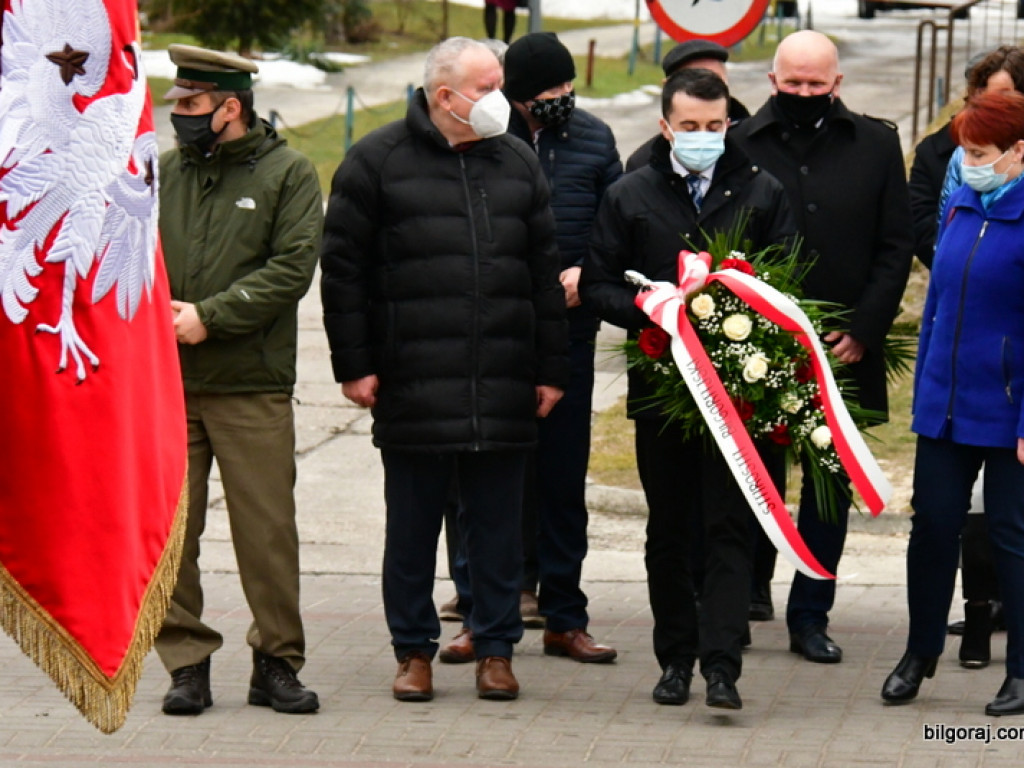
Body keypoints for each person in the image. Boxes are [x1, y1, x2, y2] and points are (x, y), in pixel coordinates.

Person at [320, 37, 568, 703]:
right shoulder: (376, 160)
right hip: (413, 382)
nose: (500, 100)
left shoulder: (516, 160)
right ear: (444, 97)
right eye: (486, 88)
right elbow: (343, 271)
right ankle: (412, 651)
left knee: (497, 531)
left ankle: (496, 649)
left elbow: (543, 274)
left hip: (502, 379)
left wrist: (551, 368)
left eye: (500, 86)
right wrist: (355, 365)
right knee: (412, 531)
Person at [583, 68, 795, 710]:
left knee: (730, 527)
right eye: (690, 126)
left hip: (737, 395)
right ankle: (675, 659)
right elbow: (597, 284)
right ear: (666, 126)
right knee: (670, 531)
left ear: (729, 123)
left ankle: (722, 665)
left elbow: (789, 283)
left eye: (714, 125)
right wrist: (652, 310)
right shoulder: (630, 193)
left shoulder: (762, 191)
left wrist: (737, 315)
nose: (703, 136)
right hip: (663, 389)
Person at [730, 30, 914, 664]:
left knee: (829, 489)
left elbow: (895, 244)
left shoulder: (877, 144)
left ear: (837, 83)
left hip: (844, 350)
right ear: (772, 81)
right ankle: (741, 599)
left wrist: (864, 329)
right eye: (792, 83)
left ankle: (811, 614)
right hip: (755, 349)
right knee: (753, 480)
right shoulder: (739, 142)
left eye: (816, 84)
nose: (803, 93)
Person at [438, 32, 622, 665]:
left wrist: (589, 273)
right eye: (548, 90)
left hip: (568, 334)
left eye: (568, 86)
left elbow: (616, 226)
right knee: (481, 481)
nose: (561, 97)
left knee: (562, 481)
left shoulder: (595, 140)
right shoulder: (481, 138)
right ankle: (480, 614)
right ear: (516, 95)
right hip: (494, 336)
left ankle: (565, 616)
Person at [154, 45, 322, 716]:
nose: (181, 116)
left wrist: (211, 317)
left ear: (230, 107)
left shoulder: (288, 172)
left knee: (267, 533)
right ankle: (185, 663)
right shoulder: (164, 173)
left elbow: (292, 268)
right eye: (178, 103)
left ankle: (277, 662)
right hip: (169, 386)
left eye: (192, 104)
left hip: (250, 384)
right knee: (171, 535)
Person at [881, 89, 1024, 717]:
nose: (969, 164)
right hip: (947, 407)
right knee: (933, 525)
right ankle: (920, 652)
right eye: (965, 152)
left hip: (1011, 411)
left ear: (1019, 152)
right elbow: (938, 303)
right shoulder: (962, 203)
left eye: (981, 153)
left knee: (1011, 535)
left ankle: (1020, 670)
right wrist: (927, 388)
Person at [625, 39, 750, 173]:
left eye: (715, 82)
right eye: (691, 83)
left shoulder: (754, 150)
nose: (705, 92)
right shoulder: (643, 164)